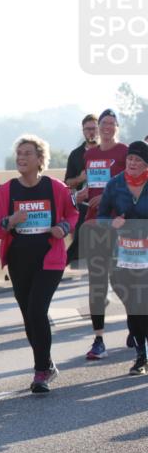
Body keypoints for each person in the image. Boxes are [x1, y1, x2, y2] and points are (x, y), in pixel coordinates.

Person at [0, 135, 79, 393]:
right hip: (18, 260)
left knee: (37, 310)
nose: (21, 158)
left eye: (27, 153)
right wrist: (12, 221)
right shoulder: (7, 190)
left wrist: (63, 226)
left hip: (49, 259)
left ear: (40, 159)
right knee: (29, 316)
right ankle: (46, 364)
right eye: (19, 154)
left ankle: (41, 371)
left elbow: (73, 213)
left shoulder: (56, 188)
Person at [97, 140, 148, 375]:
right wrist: (112, 223)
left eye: (138, 160)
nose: (133, 163)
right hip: (123, 255)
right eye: (130, 159)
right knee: (134, 307)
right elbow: (101, 217)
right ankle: (141, 356)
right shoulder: (115, 184)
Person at [81, 109, 128, 360]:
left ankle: (136, 324)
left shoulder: (125, 152)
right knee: (96, 283)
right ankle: (98, 339)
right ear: (97, 127)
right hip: (94, 224)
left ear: (117, 127)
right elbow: (93, 182)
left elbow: (133, 185)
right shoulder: (90, 154)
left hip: (119, 225)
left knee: (121, 282)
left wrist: (108, 197)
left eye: (111, 123)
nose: (107, 127)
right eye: (103, 123)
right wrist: (84, 194)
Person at [64, 114, 100, 264]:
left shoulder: (107, 151)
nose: (91, 132)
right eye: (87, 129)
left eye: (93, 128)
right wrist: (79, 179)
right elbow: (67, 182)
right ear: (83, 131)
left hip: (107, 203)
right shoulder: (76, 154)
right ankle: (63, 262)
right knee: (81, 234)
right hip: (84, 204)